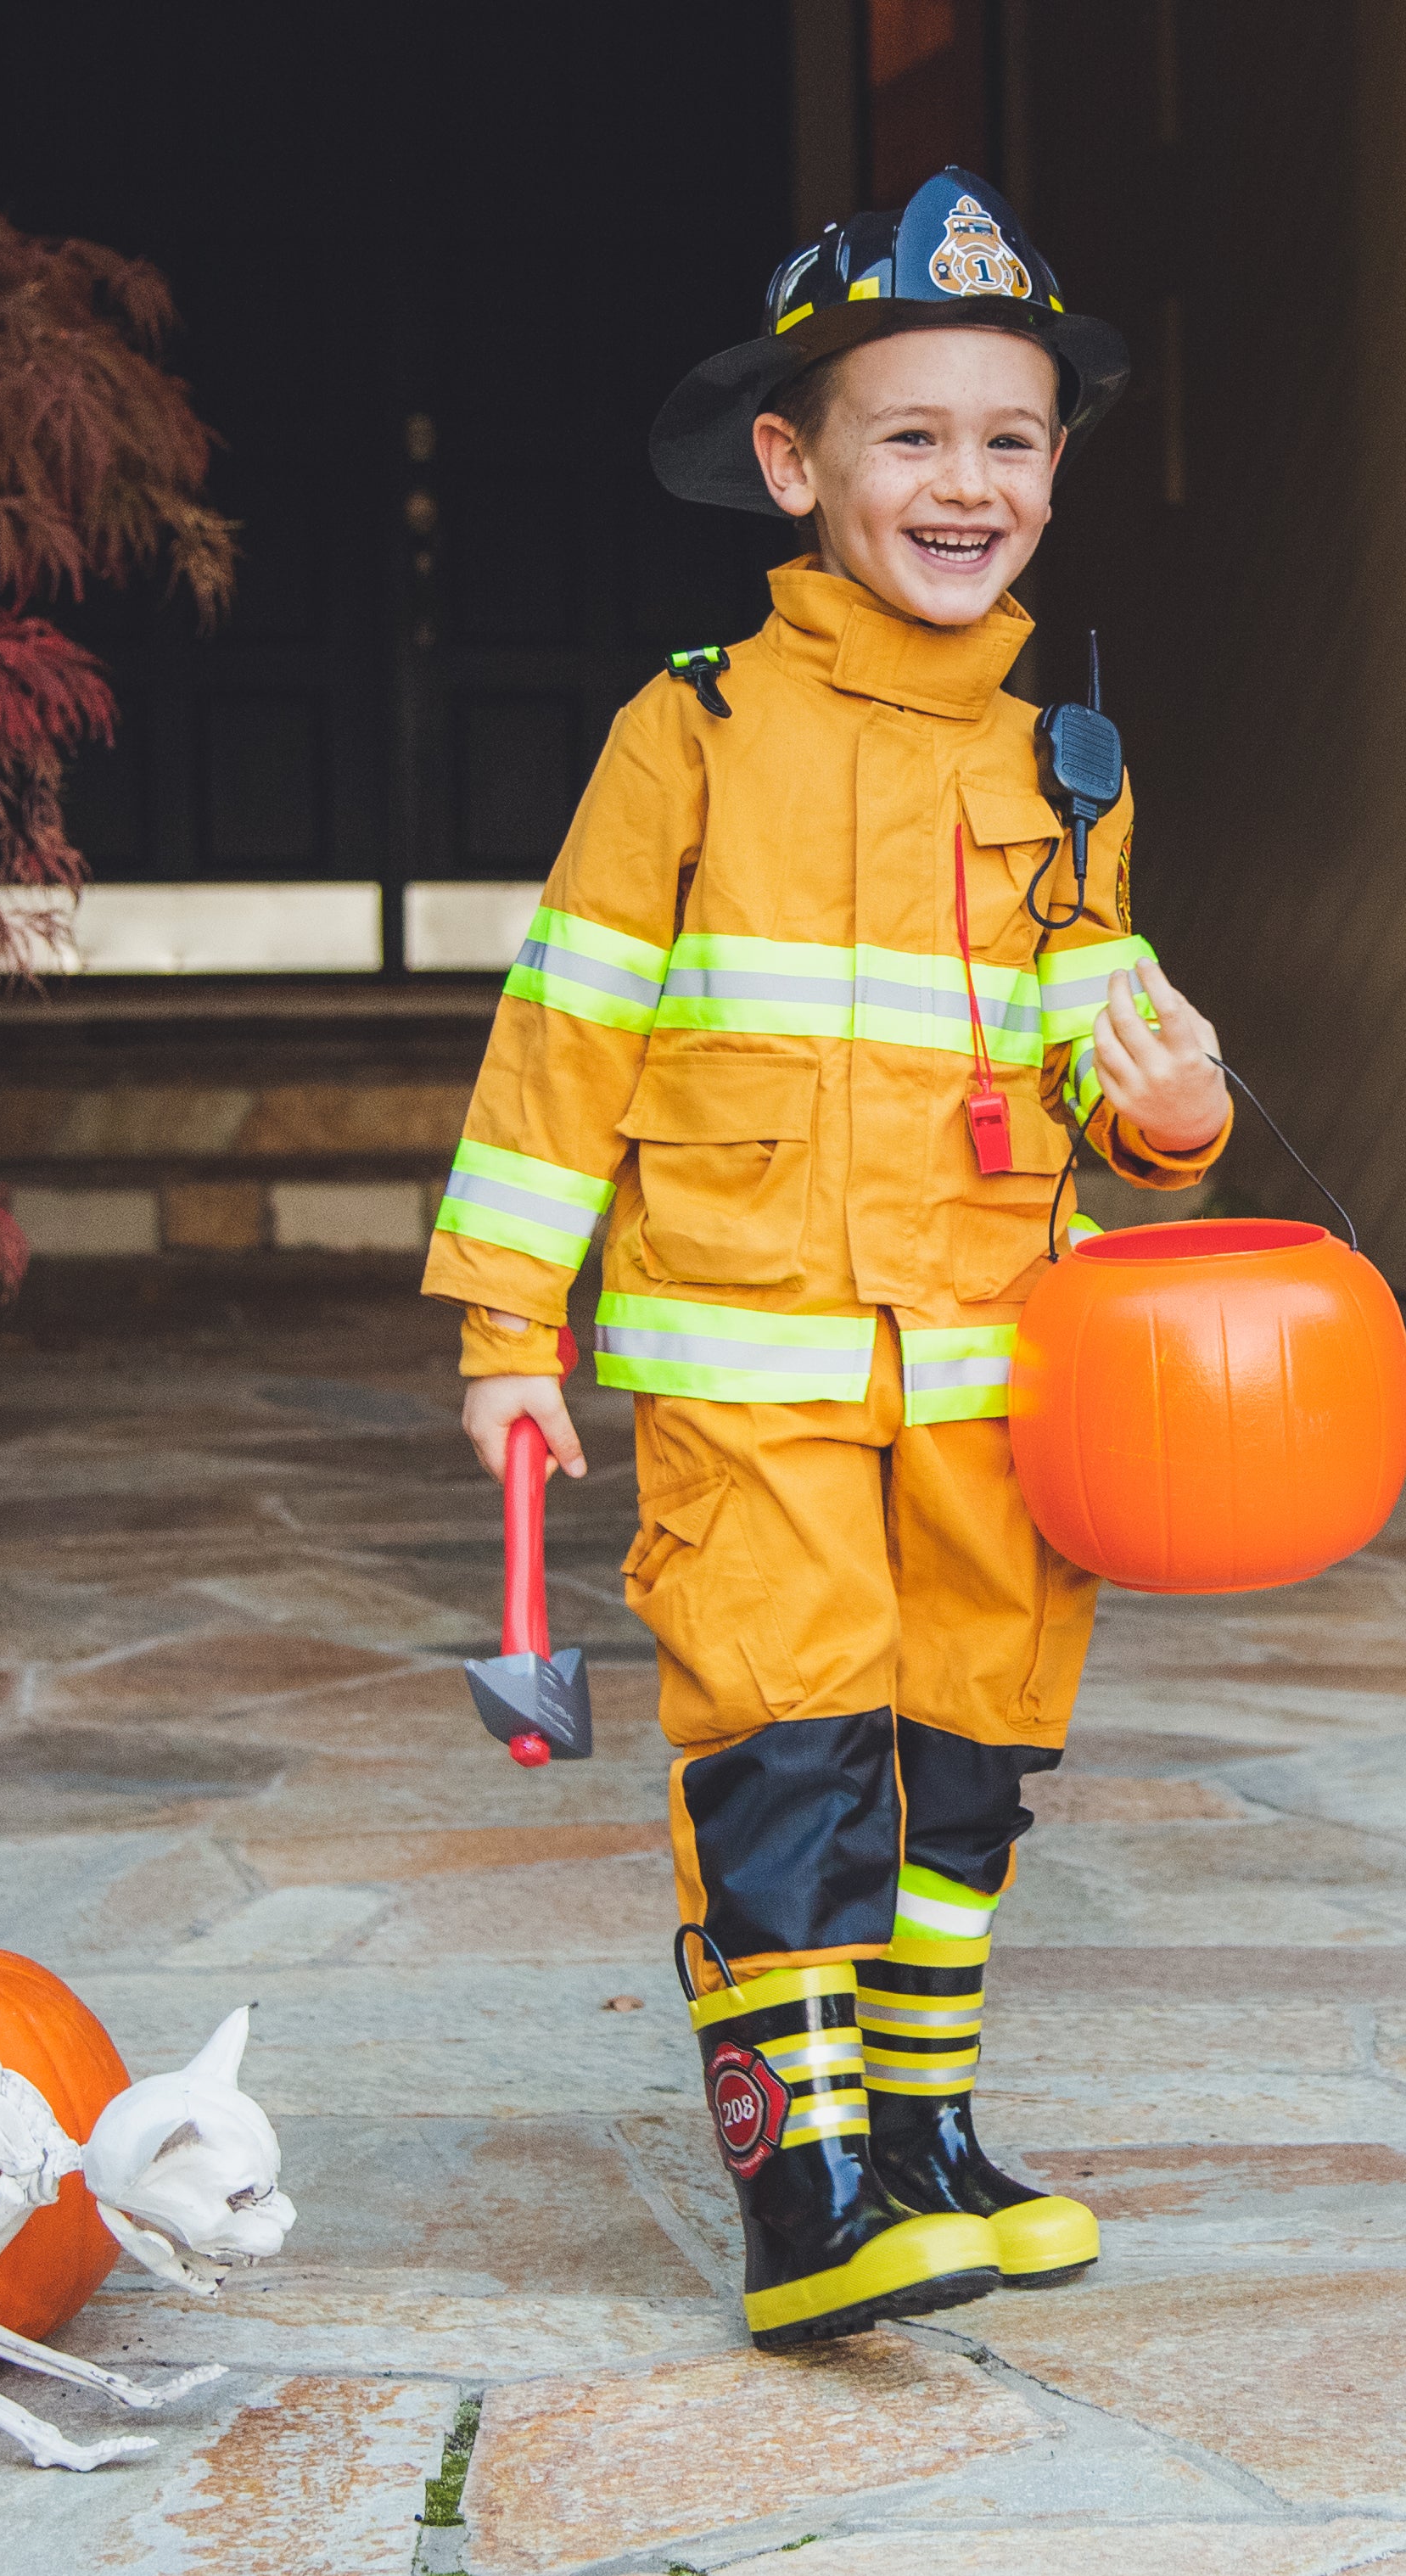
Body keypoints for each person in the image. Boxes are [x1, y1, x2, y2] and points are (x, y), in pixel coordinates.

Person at [422, 170, 1232, 2351]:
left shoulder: (1071, 766)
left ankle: (934, 2139)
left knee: (971, 1736)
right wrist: (516, 1325)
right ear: (794, 465)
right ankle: (810, 2202)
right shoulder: (688, 731)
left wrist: (1171, 1122)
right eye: (911, 434)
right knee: (788, 1733)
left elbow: (1096, 1046)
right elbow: (566, 1027)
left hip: (992, 1358)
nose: (964, 482)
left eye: (1012, 440)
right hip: (756, 1341)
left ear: (1055, 475)